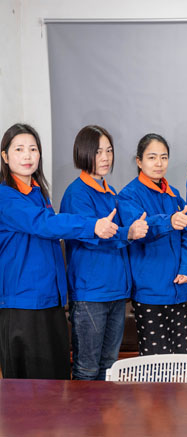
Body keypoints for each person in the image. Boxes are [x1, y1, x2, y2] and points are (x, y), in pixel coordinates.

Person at [0, 123, 118, 379]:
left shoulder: (37, 193)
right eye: (19, 149)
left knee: (56, 383)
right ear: (5, 156)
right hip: (23, 303)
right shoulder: (5, 196)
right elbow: (44, 224)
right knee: (29, 388)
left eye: (33, 149)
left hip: (49, 300)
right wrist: (92, 225)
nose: (27, 155)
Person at [60, 125, 149, 380]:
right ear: (84, 153)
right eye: (98, 151)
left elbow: (124, 233)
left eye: (109, 151)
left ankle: (103, 410)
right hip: (91, 293)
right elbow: (93, 237)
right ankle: (83, 410)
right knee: (87, 368)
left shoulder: (111, 193)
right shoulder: (77, 193)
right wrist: (127, 233)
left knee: (110, 366)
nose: (105, 157)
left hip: (115, 291)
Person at [118, 133, 187, 355]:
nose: (159, 163)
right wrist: (169, 221)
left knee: (181, 359)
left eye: (164, 157)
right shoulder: (128, 196)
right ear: (139, 161)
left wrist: (186, 269)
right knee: (155, 362)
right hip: (149, 292)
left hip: (177, 289)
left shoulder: (174, 195)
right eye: (152, 157)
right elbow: (140, 230)